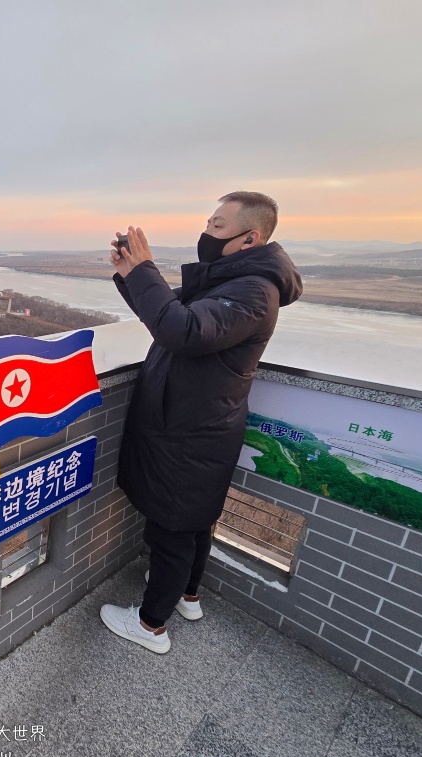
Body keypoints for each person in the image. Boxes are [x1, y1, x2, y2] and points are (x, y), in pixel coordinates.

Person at [100, 191, 303, 653]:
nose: (205, 233)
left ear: (249, 238)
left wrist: (145, 271)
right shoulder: (231, 280)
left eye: (216, 226)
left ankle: (151, 625)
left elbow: (182, 332)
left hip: (194, 430)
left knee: (173, 527)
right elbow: (166, 315)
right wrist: (130, 274)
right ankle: (187, 595)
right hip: (199, 421)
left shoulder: (253, 290)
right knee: (193, 521)